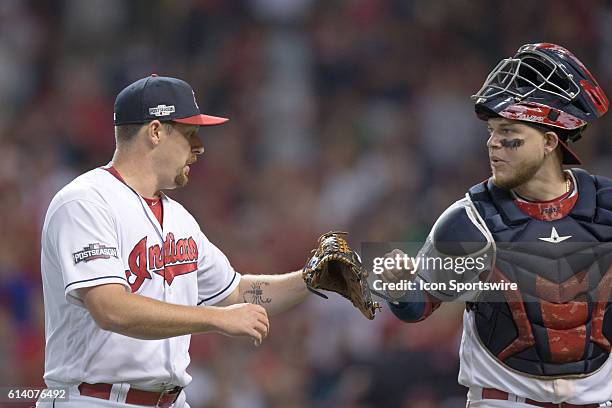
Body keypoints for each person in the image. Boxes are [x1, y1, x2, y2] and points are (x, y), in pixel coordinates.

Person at [37, 75, 314, 408]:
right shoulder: (86, 201)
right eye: (189, 133)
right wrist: (215, 319)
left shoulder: (180, 218)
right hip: (94, 399)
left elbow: (238, 292)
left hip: (171, 400)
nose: (199, 146)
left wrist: (312, 279)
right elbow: (109, 308)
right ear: (155, 132)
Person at [383, 43, 612, 407]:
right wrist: (397, 287)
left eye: (508, 132)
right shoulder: (471, 220)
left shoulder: (606, 209)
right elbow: (416, 306)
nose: (492, 143)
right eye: (492, 130)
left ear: (550, 141)